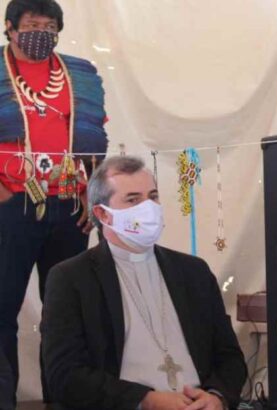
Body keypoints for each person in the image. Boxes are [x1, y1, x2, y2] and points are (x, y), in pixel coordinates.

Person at [41, 156, 247, 410]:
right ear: (103, 214)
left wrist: (216, 397)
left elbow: (230, 357)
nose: (148, 207)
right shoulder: (71, 278)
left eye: (153, 196)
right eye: (133, 200)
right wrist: (145, 400)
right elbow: (64, 375)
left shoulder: (194, 272)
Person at [0, 0, 108, 402]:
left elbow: (94, 139)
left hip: (68, 205)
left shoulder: (80, 75)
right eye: (32, 24)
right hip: (9, 206)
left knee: (65, 312)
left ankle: (64, 398)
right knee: (1, 310)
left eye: (49, 27)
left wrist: (90, 192)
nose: (41, 33)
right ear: (10, 28)